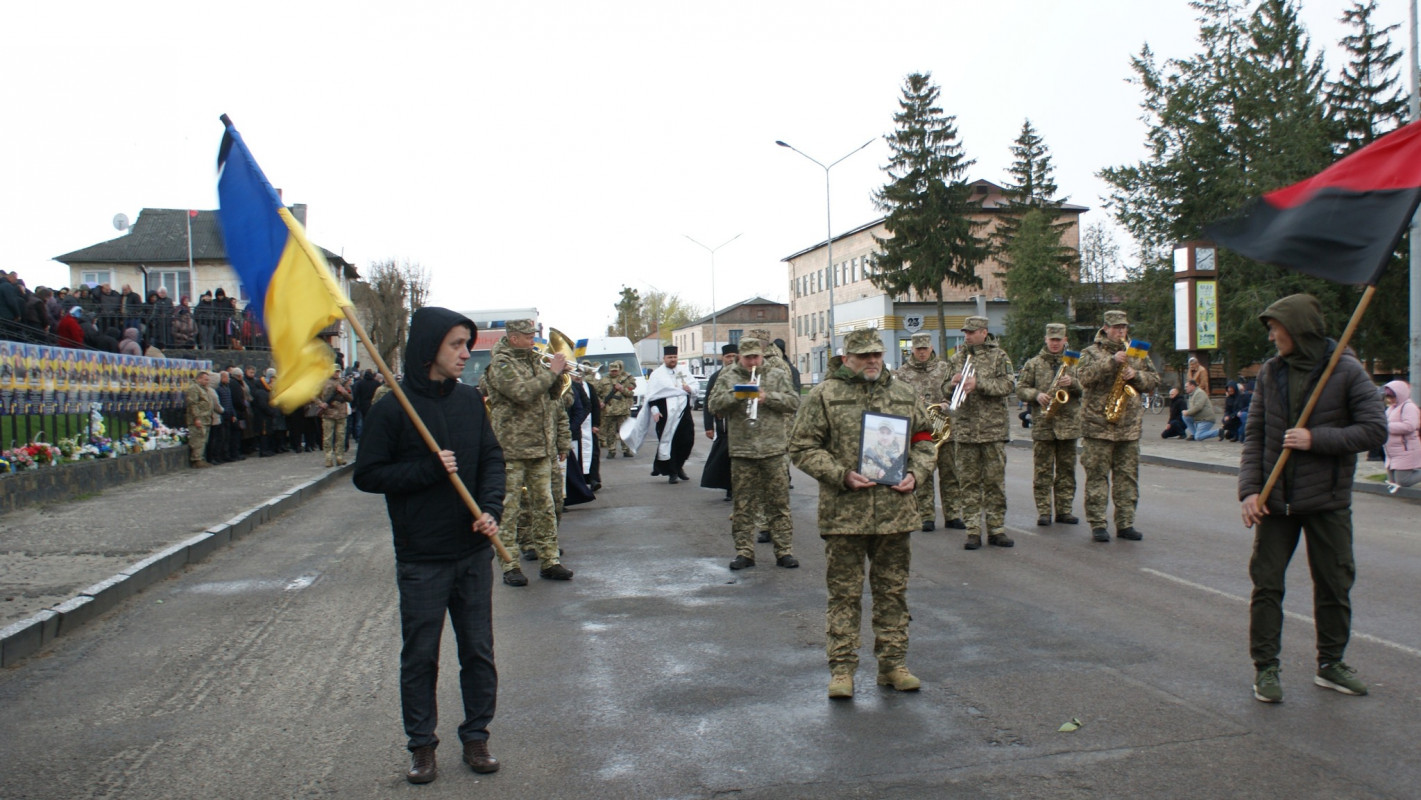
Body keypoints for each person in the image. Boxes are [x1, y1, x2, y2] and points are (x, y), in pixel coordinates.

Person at [353, 307, 505, 784]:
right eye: (457, 345)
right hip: (422, 557)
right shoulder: (392, 408)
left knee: (478, 651)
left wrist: (491, 508)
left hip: (473, 551)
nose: (465, 354)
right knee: (420, 656)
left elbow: (492, 458)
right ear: (429, 349)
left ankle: (477, 735)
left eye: (467, 344)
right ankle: (422, 746)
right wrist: (427, 468)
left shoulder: (469, 402)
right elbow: (368, 475)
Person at [1239, 293, 1386, 703]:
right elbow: (1255, 435)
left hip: (1327, 501)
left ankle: (1331, 664)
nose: (1271, 337)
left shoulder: (1346, 371)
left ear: (1298, 327)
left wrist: (1314, 439)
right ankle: (1266, 669)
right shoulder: (1271, 372)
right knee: (1266, 586)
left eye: (1275, 328)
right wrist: (1250, 490)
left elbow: (1375, 430)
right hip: (1276, 501)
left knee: (1334, 585)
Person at [789, 328, 933, 698]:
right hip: (844, 514)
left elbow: (925, 439)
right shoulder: (825, 395)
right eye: (864, 355)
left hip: (895, 512)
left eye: (877, 354)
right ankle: (842, 669)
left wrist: (917, 473)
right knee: (844, 595)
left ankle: (893, 665)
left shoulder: (903, 393)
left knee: (893, 593)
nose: (872, 361)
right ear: (847, 357)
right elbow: (802, 446)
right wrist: (840, 475)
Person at [482, 318, 574, 586]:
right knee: (508, 510)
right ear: (513, 338)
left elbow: (552, 396)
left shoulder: (534, 359)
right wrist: (551, 372)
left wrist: (559, 374)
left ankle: (550, 560)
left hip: (540, 446)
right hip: (512, 448)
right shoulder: (501, 363)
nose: (533, 339)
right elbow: (522, 393)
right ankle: (510, 564)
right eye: (528, 335)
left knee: (544, 506)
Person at [707, 337, 800, 570]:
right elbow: (713, 404)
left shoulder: (777, 373)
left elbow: (793, 401)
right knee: (743, 505)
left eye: (755, 357)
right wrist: (737, 396)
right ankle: (744, 552)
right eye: (747, 358)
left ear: (761, 355)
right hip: (742, 450)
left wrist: (767, 397)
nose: (752, 362)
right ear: (740, 356)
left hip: (774, 449)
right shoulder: (727, 375)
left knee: (779, 504)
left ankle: (784, 551)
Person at [1076, 309, 1161, 543]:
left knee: (1127, 478)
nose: (1121, 331)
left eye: (1123, 327)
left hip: (1128, 427)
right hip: (1098, 426)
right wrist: (1111, 362)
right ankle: (1098, 523)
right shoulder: (1090, 352)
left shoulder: (1137, 352)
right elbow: (1082, 378)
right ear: (1105, 328)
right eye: (1116, 327)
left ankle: (1125, 523)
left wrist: (1136, 375)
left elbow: (1154, 379)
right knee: (1097, 477)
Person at [945, 316, 1016, 550]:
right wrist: (952, 385)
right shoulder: (956, 358)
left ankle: (996, 529)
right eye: (965, 332)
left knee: (995, 483)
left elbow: (1008, 385)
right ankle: (973, 530)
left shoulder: (999, 356)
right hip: (965, 431)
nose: (967, 335)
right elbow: (944, 389)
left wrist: (979, 384)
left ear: (984, 332)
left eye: (972, 332)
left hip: (992, 430)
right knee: (968, 483)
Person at [893, 331, 964, 532]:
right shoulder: (903, 373)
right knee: (923, 475)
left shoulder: (944, 368)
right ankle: (926, 516)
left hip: (945, 431)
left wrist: (946, 402)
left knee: (950, 474)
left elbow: (955, 392)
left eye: (925, 348)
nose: (922, 353)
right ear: (912, 350)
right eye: (918, 349)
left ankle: (953, 514)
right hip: (920, 434)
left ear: (931, 348)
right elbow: (898, 401)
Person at [1016, 323, 1082, 527]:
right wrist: (1036, 395)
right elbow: (1020, 388)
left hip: (1068, 425)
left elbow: (1085, 389)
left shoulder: (1074, 363)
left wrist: (1072, 383)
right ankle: (1044, 511)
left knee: (1066, 471)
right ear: (1046, 339)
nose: (1055, 343)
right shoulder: (1034, 363)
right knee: (1043, 471)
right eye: (1052, 339)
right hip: (1043, 424)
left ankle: (1064, 510)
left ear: (1065, 340)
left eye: (1058, 339)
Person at [628, 345, 696, 483]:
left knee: (687, 441)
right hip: (664, 414)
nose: (673, 359)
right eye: (670, 357)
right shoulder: (657, 374)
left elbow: (695, 386)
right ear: (664, 358)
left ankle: (679, 466)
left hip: (683, 413)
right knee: (670, 442)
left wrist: (689, 388)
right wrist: (654, 410)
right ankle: (673, 472)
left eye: (675, 357)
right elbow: (651, 395)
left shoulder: (683, 371)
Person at [700, 344, 739, 498]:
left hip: (740, 427)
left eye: (733, 356)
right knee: (723, 458)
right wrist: (708, 426)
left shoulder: (745, 375)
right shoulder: (716, 377)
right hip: (723, 427)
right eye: (728, 356)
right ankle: (728, 487)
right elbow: (708, 402)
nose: (731, 359)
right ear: (723, 358)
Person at [1381, 380, 1421, 492]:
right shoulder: (1391, 408)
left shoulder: (1409, 407)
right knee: (1393, 481)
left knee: (1403, 481)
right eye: (1388, 396)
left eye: (1392, 396)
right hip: (1392, 452)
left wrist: (1386, 426)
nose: (1390, 399)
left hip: (1405, 450)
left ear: (1400, 393)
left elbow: (1410, 426)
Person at [599, 360, 638, 458]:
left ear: (619, 370)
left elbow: (630, 394)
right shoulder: (603, 380)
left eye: (616, 370)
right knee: (610, 433)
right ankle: (611, 450)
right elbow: (597, 393)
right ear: (609, 370)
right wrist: (600, 402)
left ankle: (626, 450)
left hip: (623, 410)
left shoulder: (625, 380)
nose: (614, 372)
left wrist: (622, 389)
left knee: (625, 431)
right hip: (609, 411)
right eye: (612, 371)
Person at [317, 367, 353, 467]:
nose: (337, 373)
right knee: (328, 437)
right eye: (335, 371)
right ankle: (328, 458)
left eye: (338, 371)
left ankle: (339, 457)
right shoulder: (323, 382)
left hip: (341, 413)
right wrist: (320, 404)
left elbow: (350, 398)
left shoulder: (343, 382)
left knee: (340, 436)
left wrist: (343, 392)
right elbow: (313, 395)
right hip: (328, 413)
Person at [184, 370, 213, 468]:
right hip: (198, 418)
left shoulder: (203, 388)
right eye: (205, 380)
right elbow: (193, 404)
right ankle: (196, 459)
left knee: (203, 439)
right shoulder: (194, 388)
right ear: (199, 378)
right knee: (197, 439)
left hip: (205, 418)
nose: (207, 382)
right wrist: (196, 418)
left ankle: (201, 458)